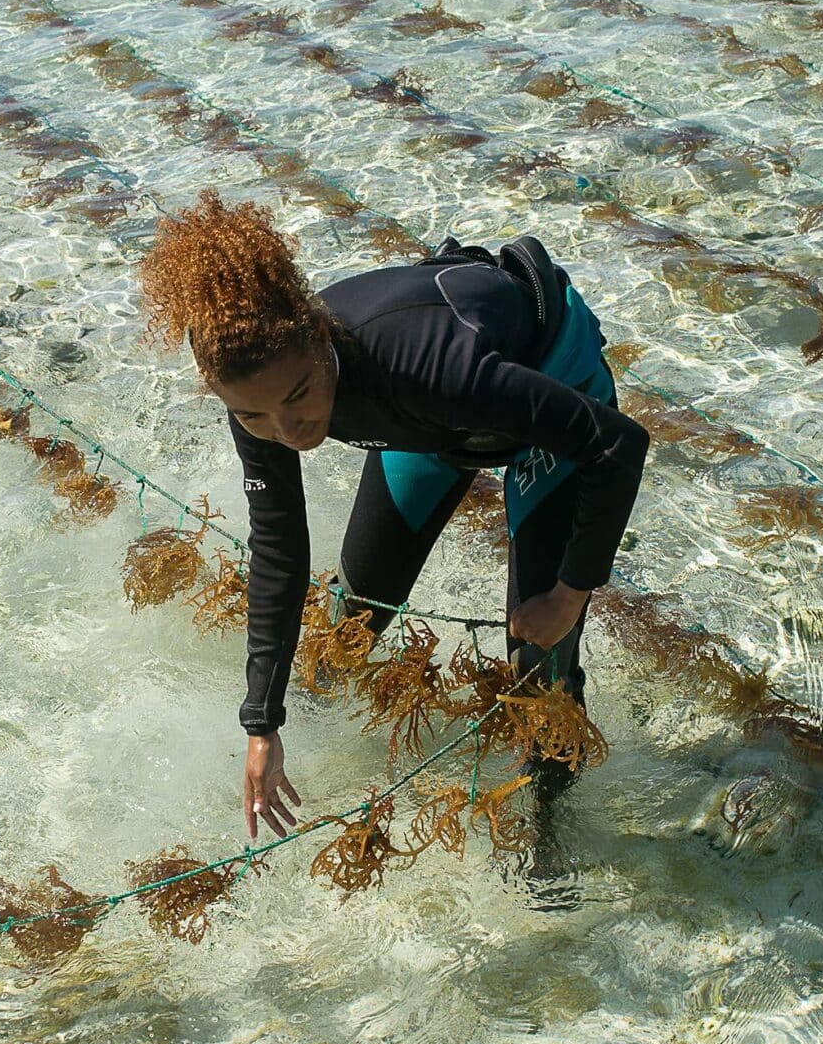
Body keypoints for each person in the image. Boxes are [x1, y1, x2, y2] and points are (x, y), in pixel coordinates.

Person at [137, 191, 651, 844]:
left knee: (537, 661)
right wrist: (261, 724)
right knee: (349, 620)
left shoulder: (428, 366)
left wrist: (573, 591)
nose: (286, 429)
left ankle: (548, 841)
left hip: (545, 390)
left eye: (299, 395)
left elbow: (618, 444)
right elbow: (279, 552)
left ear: (319, 333)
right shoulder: (263, 391)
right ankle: (316, 737)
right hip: (432, 433)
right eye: (252, 416)